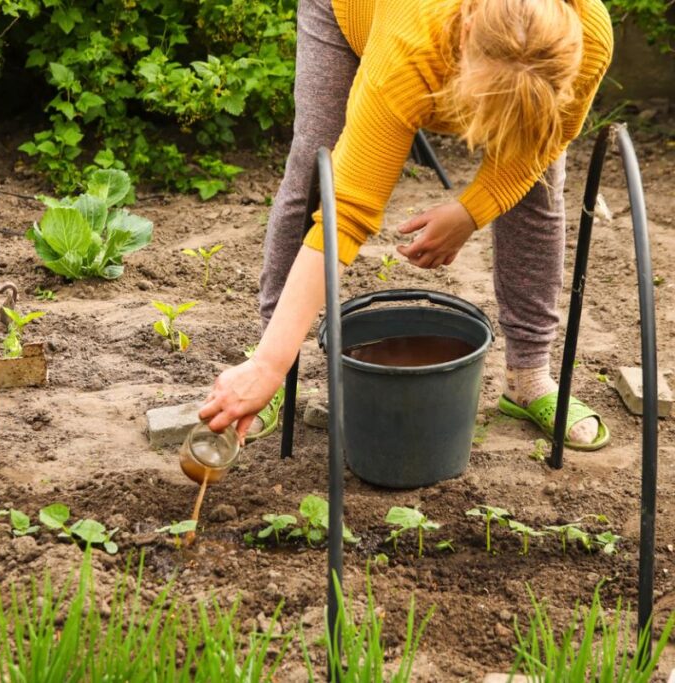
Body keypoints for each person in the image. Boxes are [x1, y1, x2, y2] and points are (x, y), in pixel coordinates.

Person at [199, 0, 614, 450]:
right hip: (349, 12)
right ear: (466, 31)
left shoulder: (588, 34)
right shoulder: (412, 42)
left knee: (540, 187)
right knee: (316, 166)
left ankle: (529, 375)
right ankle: (270, 368)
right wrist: (269, 364)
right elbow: (348, 211)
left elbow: (535, 151)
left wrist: (471, 211)